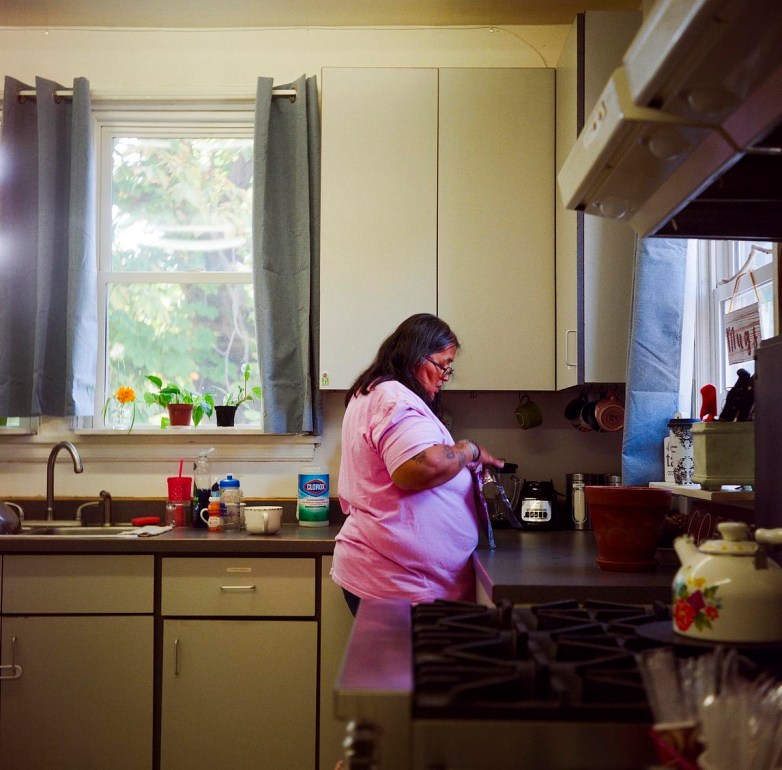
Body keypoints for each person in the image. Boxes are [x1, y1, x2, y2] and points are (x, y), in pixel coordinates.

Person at [330, 313, 504, 616]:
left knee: (401, 665)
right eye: (442, 365)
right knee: (404, 665)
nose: (445, 377)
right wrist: (468, 450)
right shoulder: (395, 399)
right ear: (415, 357)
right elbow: (418, 468)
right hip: (396, 584)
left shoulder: (376, 393)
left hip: (396, 579)